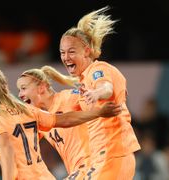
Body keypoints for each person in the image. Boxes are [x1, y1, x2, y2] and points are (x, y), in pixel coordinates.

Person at [0, 64, 121, 179]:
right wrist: (99, 112)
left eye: (24, 88)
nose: (21, 93)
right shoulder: (28, 111)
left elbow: (7, 150)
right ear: (5, 87)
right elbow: (64, 119)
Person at [58, 6, 141, 179]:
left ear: (87, 51)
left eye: (71, 51)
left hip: (113, 155)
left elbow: (106, 87)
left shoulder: (98, 68)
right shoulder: (83, 81)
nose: (66, 57)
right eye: (62, 53)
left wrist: (97, 93)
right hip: (101, 159)